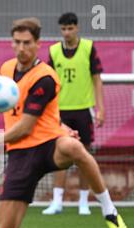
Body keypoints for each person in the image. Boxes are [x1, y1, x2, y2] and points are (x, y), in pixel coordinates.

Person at [0, 17, 128, 228]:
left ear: (38, 44)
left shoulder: (46, 76)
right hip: (20, 155)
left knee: (75, 148)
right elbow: (22, 119)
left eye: (27, 43)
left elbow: (27, 125)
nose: (22, 48)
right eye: (17, 42)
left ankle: (109, 210)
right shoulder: (4, 70)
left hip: (47, 144)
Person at [43, 12, 105, 215]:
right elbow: (49, 81)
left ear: (77, 28)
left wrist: (100, 108)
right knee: (60, 155)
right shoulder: (54, 51)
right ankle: (57, 201)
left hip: (83, 109)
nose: (67, 32)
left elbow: (97, 79)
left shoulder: (88, 48)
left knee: (83, 155)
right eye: (63, 29)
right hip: (60, 112)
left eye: (70, 28)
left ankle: (83, 202)